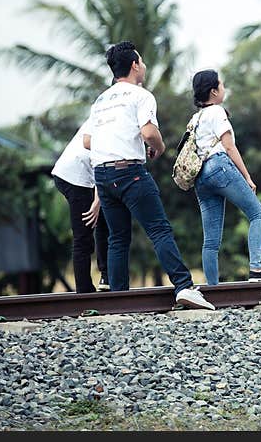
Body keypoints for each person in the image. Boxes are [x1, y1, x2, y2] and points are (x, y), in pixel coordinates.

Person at [84, 40, 214, 310]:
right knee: (159, 230)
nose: (143, 66)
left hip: (102, 174)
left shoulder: (101, 100)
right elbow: (149, 133)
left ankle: (118, 300)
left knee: (118, 238)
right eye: (141, 62)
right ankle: (184, 286)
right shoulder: (141, 95)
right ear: (134, 65)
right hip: (130, 172)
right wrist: (158, 147)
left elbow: (88, 141)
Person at [190, 70, 261, 284]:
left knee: (211, 241)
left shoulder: (196, 118)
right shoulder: (216, 111)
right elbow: (229, 147)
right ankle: (257, 269)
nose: (224, 88)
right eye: (221, 85)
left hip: (200, 178)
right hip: (219, 167)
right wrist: (247, 177)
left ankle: (212, 289)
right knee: (258, 215)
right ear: (213, 91)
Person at [52, 119, 109, 293]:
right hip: (74, 177)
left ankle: (106, 276)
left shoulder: (106, 111)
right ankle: (84, 291)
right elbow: (101, 164)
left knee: (104, 221)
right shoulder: (107, 118)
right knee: (83, 235)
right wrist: (96, 202)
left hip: (80, 175)